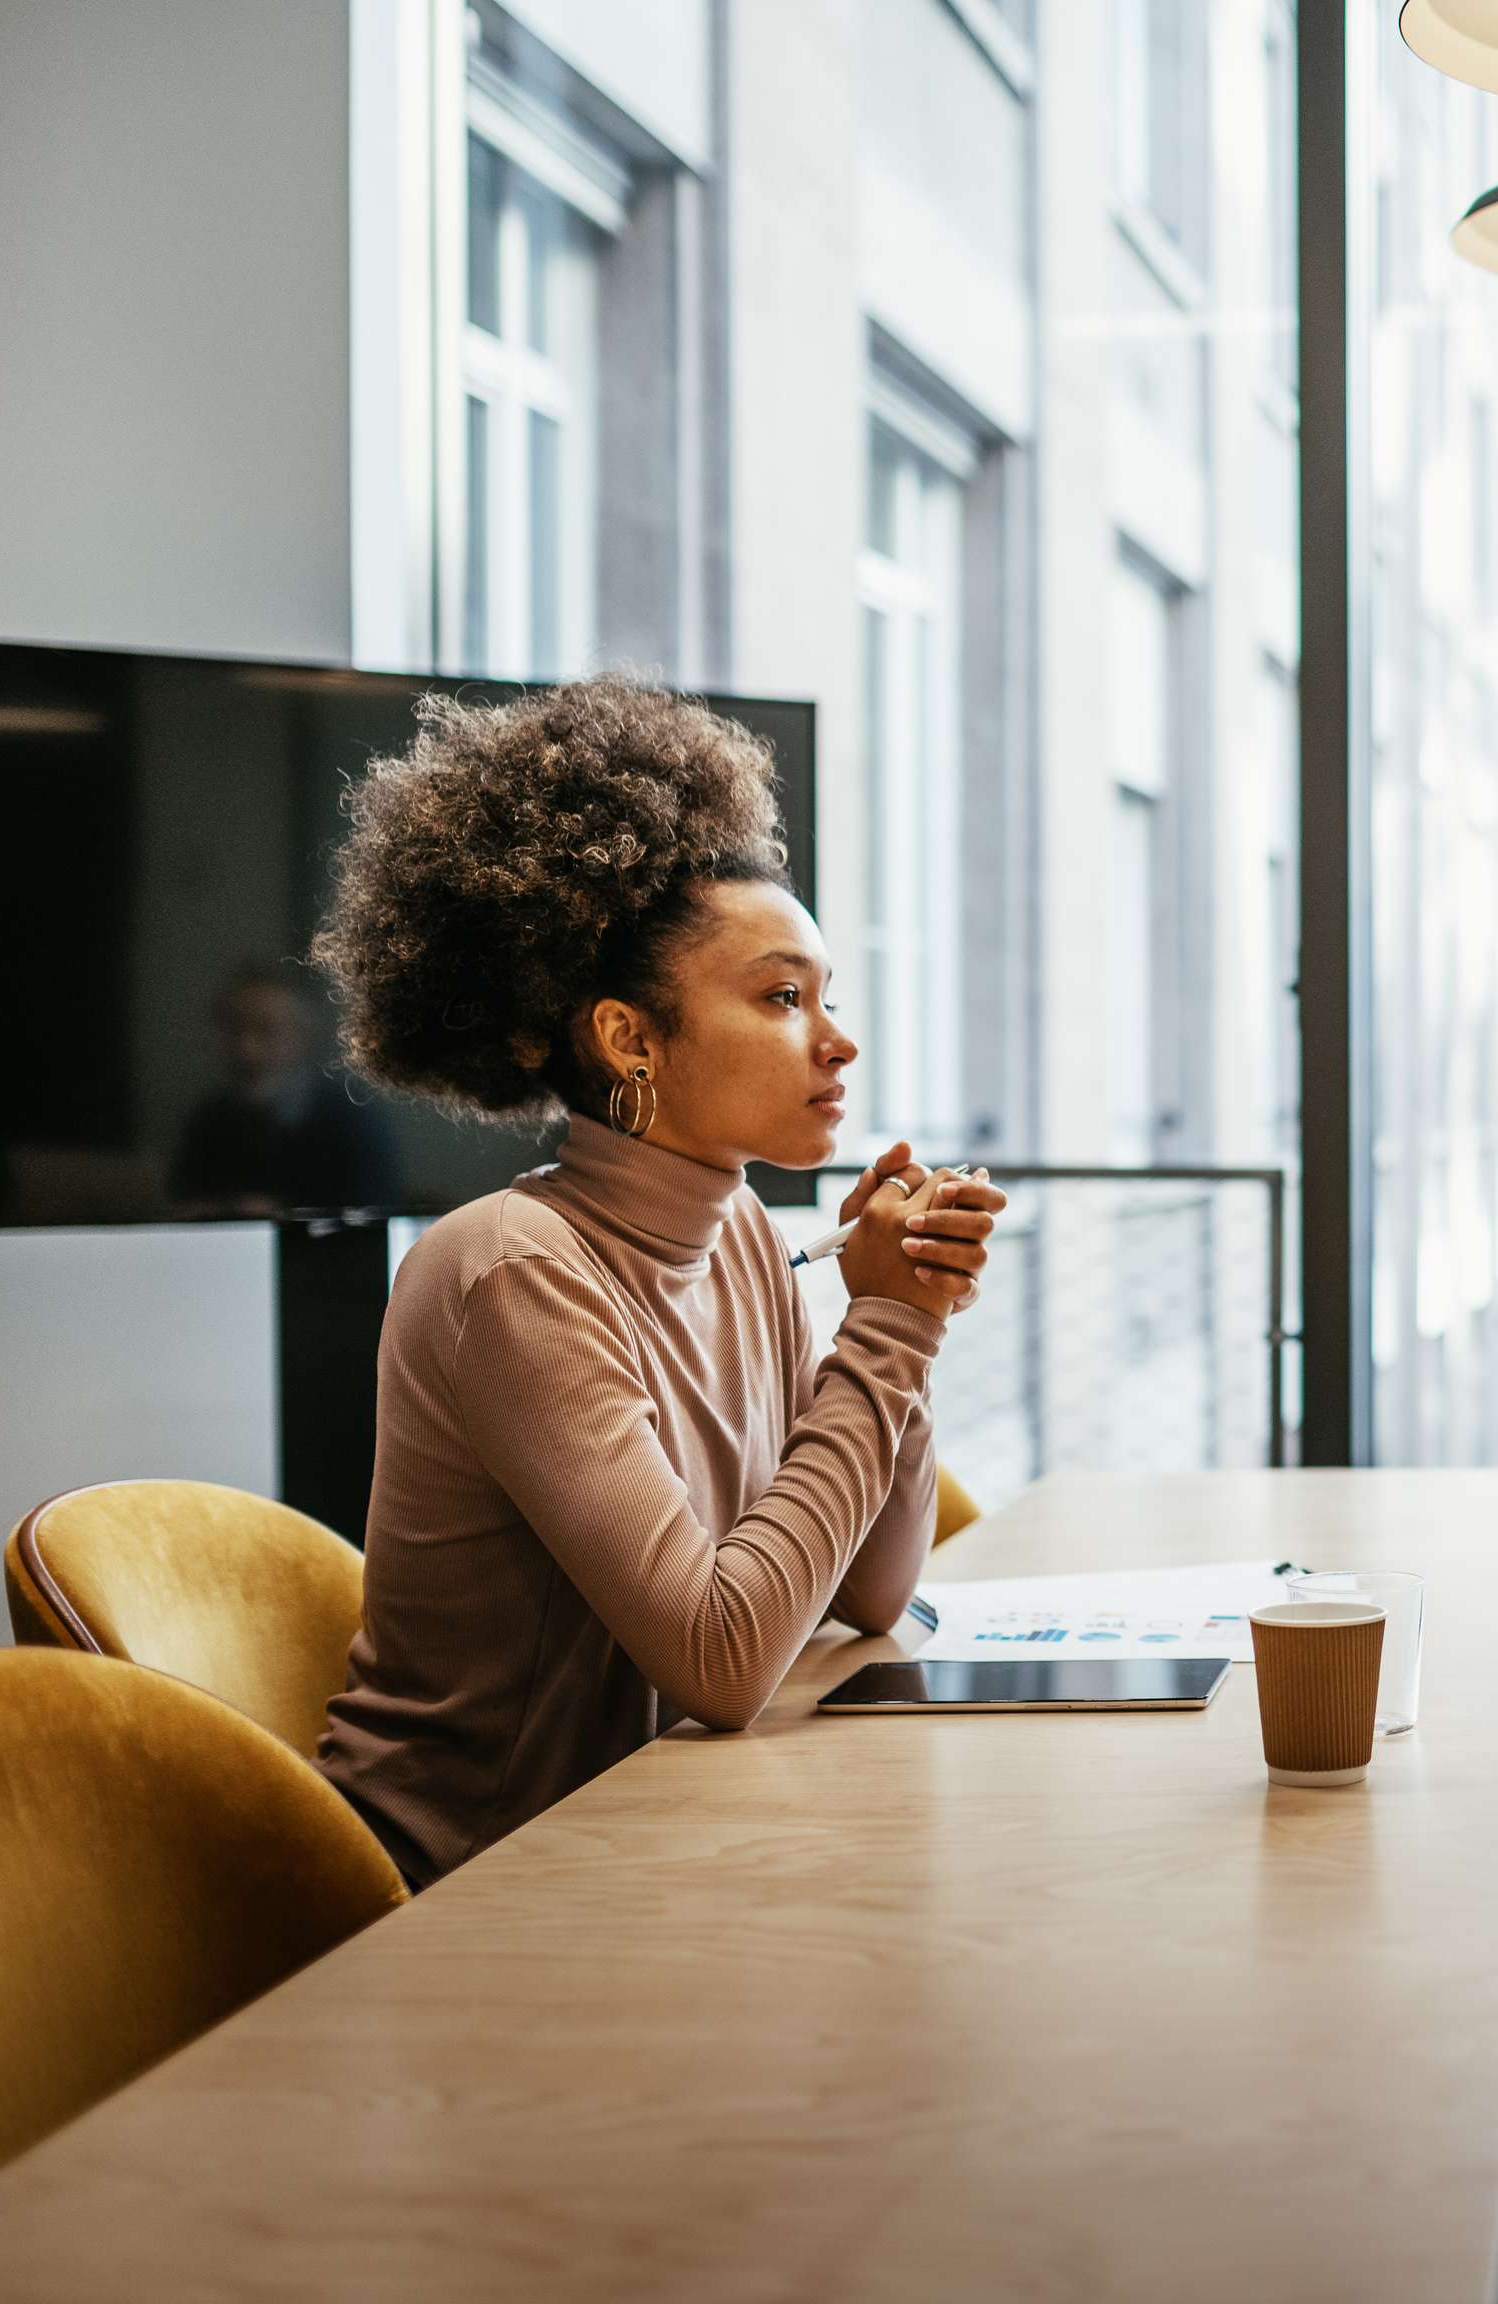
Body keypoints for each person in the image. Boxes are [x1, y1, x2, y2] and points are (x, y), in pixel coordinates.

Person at [309, 676, 1005, 1887]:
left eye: (829, 999)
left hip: (658, 1843)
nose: (837, 1040)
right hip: (470, 1892)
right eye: (784, 999)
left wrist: (909, 1319)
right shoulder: (509, 1273)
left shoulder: (735, 1226)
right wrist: (884, 1327)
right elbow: (727, 1662)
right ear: (630, 1038)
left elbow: (873, 1591)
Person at [166, 963, 404, 1216]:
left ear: (304, 1037)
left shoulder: (354, 1118)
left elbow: (371, 1218)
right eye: (234, 1030)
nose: (246, 1050)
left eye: (266, 1031)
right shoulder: (207, 1121)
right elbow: (181, 1210)